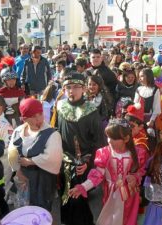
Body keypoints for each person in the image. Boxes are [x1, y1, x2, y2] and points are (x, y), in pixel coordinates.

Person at [69, 118, 146, 225]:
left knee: (127, 219)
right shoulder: (104, 153)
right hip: (111, 194)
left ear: (126, 138)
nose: (109, 140)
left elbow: (140, 171)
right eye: (108, 136)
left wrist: (135, 177)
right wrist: (83, 187)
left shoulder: (137, 154)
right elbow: (97, 175)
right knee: (111, 219)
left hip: (130, 196)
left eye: (113, 138)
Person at [55, 71, 105, 225]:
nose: (72, 90)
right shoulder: (60, 105)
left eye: (76, 87)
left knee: (78, 198)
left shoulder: (91, 110)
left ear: (84, 89)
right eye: (68, 87)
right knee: (65, 196)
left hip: (82, 163)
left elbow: (99, 142)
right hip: (63, 161)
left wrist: (88, 162)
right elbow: (57, 130)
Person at [7, 98, 63, 212]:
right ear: (24, 118)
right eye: (33, 116)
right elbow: (12, 153)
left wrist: (31, 161)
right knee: (25, 209)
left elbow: (54, 158)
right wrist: (18, 171)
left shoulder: (52, 134)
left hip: (43, 179)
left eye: (40, 114)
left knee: (41, 209)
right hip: (24, 176)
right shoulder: (18, 131)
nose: (39, 119)